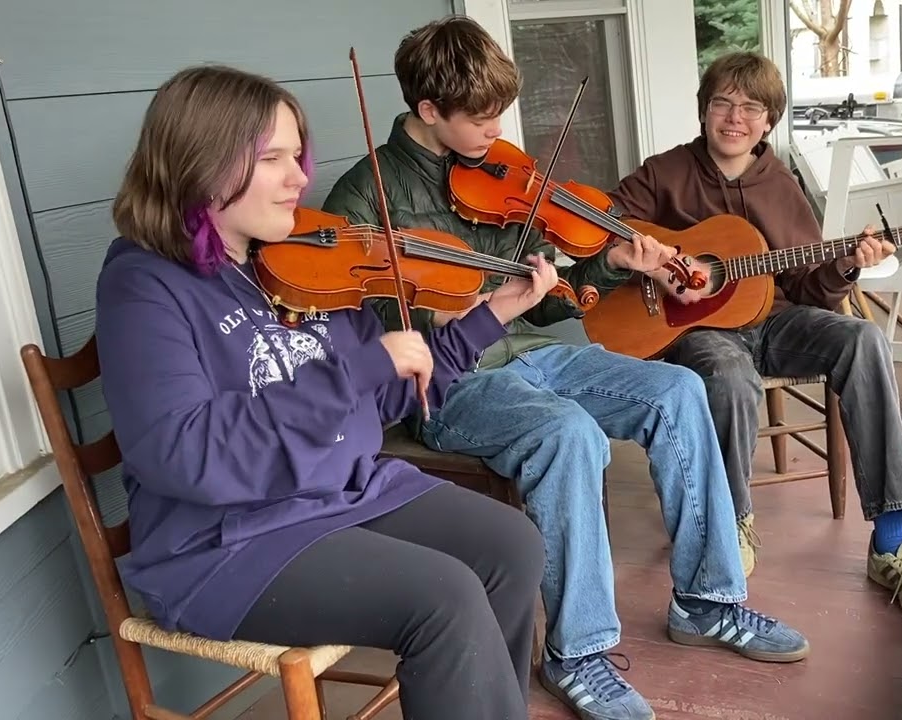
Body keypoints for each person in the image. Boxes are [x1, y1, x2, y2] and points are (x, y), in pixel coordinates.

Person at [323, 16, 810, 720]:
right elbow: (361, 339)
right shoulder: (362, 198)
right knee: (567, 434)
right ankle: (577, 653)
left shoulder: (495, 174)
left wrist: (606, 264)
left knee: (677, 387)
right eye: (481, 117)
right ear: (428, 111)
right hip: (453, 382)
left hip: (538, 354)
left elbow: (550, 306)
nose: (497, 129)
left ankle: (707, 601)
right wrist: (449, 314)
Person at [95, 64, 562, 720]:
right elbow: (182, 451)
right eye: (274, 159)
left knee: (512, 545)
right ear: (201, 163)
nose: (301, 177)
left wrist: (490, 317)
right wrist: (355, 370)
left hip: (338, 494)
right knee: (445, 598)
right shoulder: (144, 287)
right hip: (227, 540)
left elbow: (381, 402)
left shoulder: (304, 262)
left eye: (299, 155)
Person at [606, 51, 902, 627]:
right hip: (695, 329)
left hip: (776, 320)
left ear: (769, 120)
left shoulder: (781, 183)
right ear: (704, 110)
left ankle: (892, 542)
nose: (735, 118)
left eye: (751, 107)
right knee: (727, 373)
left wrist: (848, 265)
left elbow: (810, 289)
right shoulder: (664, 172)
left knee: (862, 338)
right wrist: (654, 261)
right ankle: (731, 523)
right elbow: (604, 226)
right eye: (723, 102)